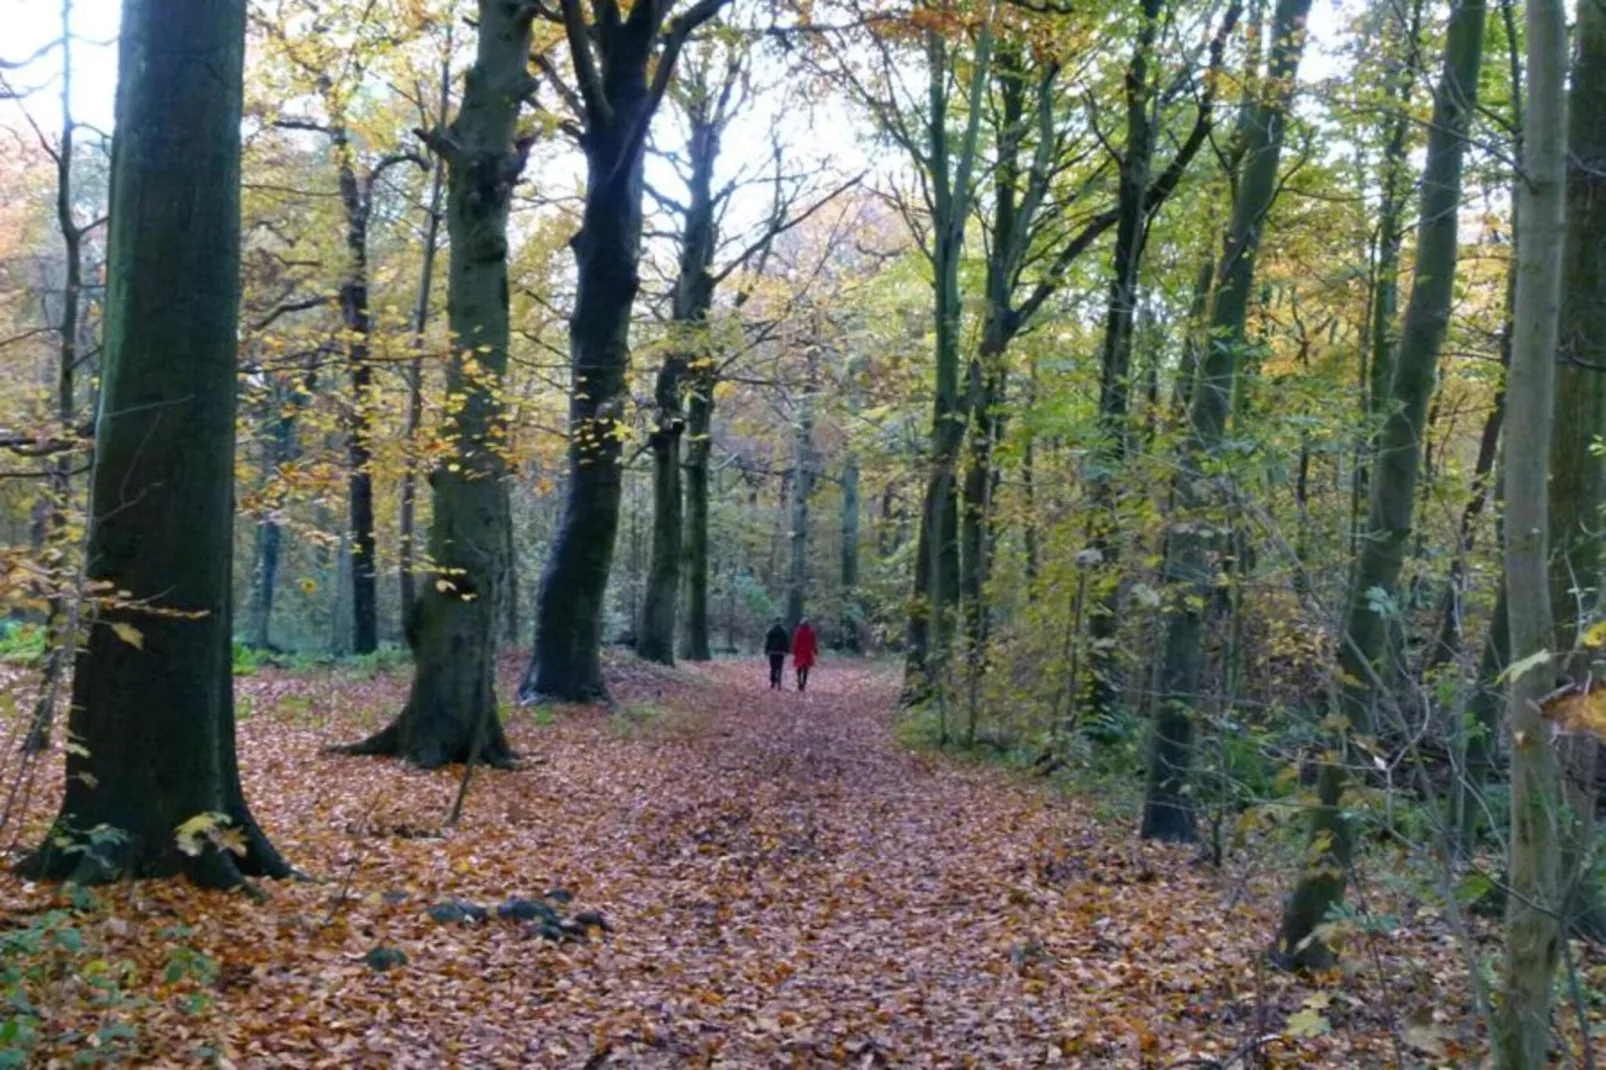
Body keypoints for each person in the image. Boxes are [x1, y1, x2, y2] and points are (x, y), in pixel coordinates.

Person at [792, 616, 818, 692]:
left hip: (800, 652)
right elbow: (813, 642)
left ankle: (799, 680)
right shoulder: (811, 631)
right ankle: (803, 683)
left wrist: (794, 651)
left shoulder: (798, 631)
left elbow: (796, 641)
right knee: (806, 669)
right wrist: (815, 650)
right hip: (807, 652)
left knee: (799, 668)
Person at [763, 618, 790, 690]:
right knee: (779, 667)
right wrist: (787, 651)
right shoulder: (784, 632)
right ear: (781, 622)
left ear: (774, 622)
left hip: (772, 652)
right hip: (780, 652)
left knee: (773, 667)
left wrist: (766, 651)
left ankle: (773, 681)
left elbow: (768, 642)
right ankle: (779, 681)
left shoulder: (771, 631)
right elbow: (786, 642)